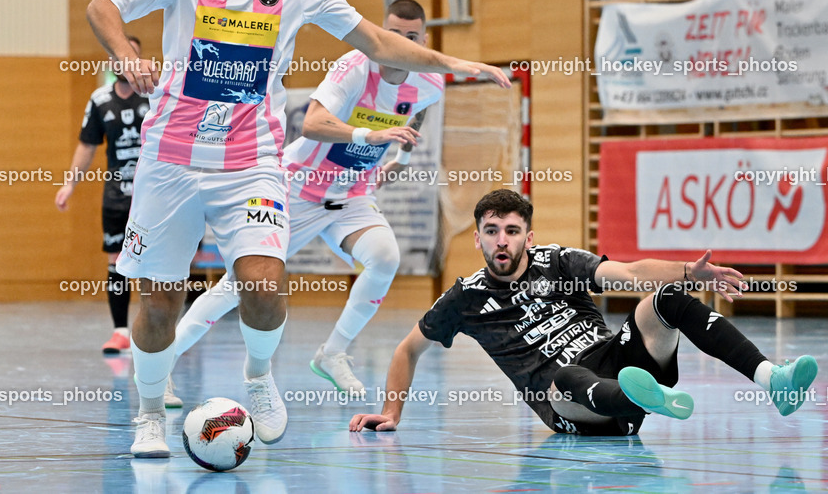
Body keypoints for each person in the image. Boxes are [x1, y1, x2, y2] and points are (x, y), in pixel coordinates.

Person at [86, 0, 510, 458]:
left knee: (263, 283)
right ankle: (150, 413)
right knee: (159, 297)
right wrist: (126, 50)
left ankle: (259, 378)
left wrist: (453, 64)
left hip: (251, 159)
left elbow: (376, 39)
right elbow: (103, 4)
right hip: (171, 157)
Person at [350, 189, 818, 436]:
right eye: (491, 231)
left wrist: (686, 271)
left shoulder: (559, 263)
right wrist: (392, 413)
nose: (501, 240)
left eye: (512, 231)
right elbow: (408, 349)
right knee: (564, 376)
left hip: (620, 363)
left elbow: (632, 274)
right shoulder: (465, 298)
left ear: (527, 238)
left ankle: (770, 380)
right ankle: (644, 399)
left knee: (665, 299)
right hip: (571, 404)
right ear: (477, 239)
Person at [167, 0, 443, 400]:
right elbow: (312, 124)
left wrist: (401, 158)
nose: (401, 43)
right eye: (393, 34)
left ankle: (333, 353)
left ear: (424, 39)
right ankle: (164, 364)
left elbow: (417, 113)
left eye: (412, 37)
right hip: (297, 189)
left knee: (385, 258)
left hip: (351, 196)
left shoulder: (430, 81)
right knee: (239, 284)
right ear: (381, 33)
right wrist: (374, 136)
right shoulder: (353, 67)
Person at [55, 36, 151, 356]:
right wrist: (70, 183)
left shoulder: (155, 96)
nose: (124, 61)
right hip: (116, 196)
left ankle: (154, 329)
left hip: (153, 196)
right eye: (118, 56)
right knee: (116, 262)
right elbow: (87, 144)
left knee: (156, 263)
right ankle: (121, 332)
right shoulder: (99, 100)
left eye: (131, 56)